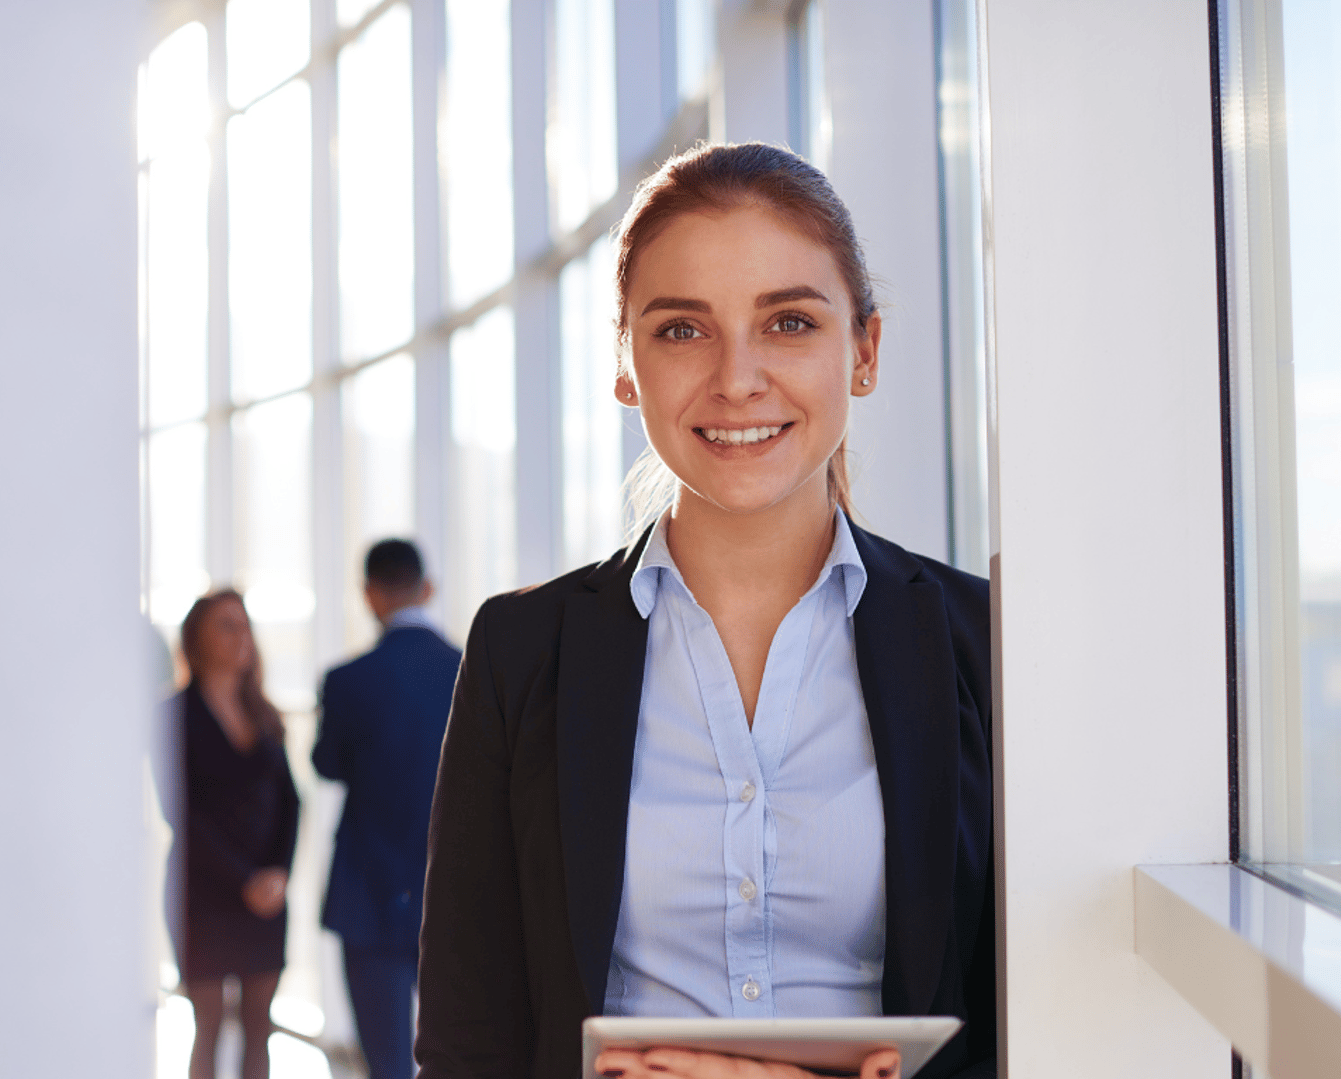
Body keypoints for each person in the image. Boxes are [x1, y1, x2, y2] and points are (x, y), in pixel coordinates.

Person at [415, 142, 995, 1079]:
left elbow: (1018, 1018)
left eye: (790, 323)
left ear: (865, 351)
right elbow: (468, 1034)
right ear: (625, 364)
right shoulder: (523, 652)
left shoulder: (979, 643)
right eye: (683, 330)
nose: (736, 379)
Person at [314, 539, 462, 1079]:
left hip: (368, 895)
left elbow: (327, 764)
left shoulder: (347, 680)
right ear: (427, 589)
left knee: (386, 1064)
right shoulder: (470, 668)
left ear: (369, 595)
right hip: (453, 898)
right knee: (463, 1057)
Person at [170, 589, 301, 1079]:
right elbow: (181, 815)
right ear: (196, 638)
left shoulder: (264, 713)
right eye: (227, 624)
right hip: (203, 892)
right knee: (208, 1026)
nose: (241, 635)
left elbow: (292, 802)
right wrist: (243, 879)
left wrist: (278, 874)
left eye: (244, 624)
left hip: (266, 893)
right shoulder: (174, 715)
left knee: (257, 1027)